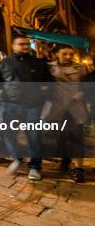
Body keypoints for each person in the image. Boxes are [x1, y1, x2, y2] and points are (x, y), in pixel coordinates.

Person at [0, 35, 54, 180]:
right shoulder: (5, 63)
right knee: (7, 133)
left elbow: (50, 82)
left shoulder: (39, 63)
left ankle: (35, 167)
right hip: (9, 105)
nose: (25, 46)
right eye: (21, 44)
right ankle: (17, 158)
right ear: (13, 46)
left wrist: (45, 92)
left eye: (26, 44)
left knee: (33, 137)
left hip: (33, 106)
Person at [41, 45, 91, 183]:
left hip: (75, 108)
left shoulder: (80, 68)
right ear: (57, 54)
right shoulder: (48, 67)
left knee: (77, 138)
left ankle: (79, 169)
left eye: (71, 54)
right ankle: (65, 159)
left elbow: (88, 85)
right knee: (60, 136)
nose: (69, 57)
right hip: (56, 108)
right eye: (65, 54)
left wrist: (83, 93)